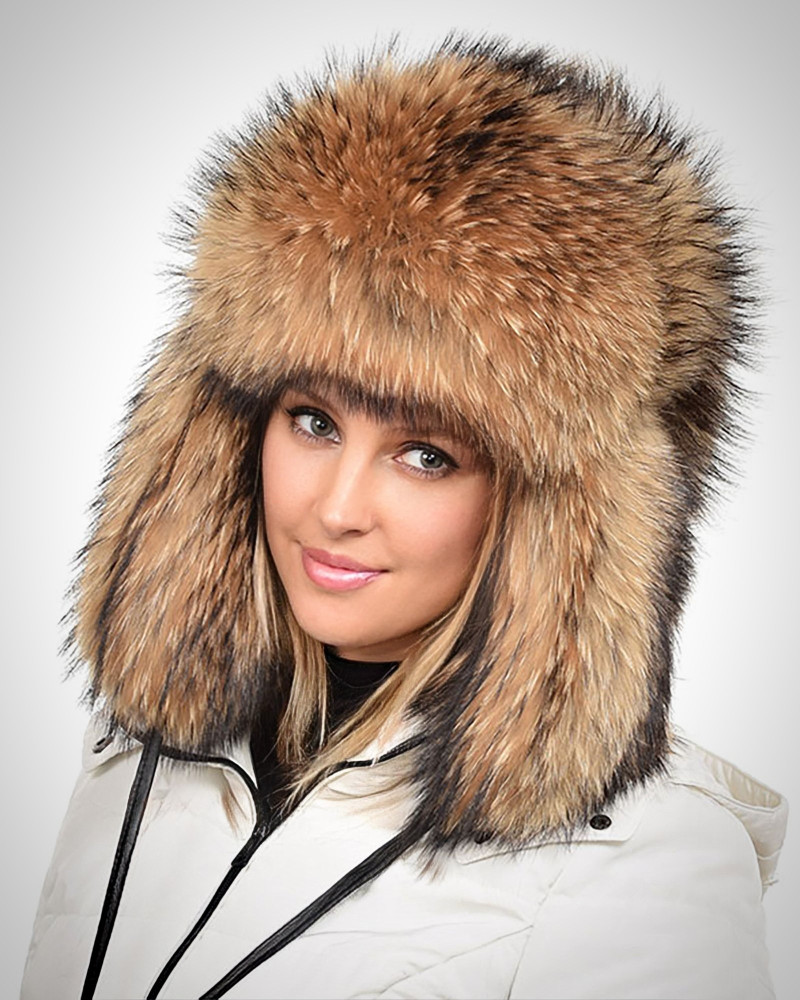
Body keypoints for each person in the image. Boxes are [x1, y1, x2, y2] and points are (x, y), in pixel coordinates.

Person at [22, 37, 787, 1000]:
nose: (336, 509)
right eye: (313, 421)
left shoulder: (645, 874)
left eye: (428, 455)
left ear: (559, 516)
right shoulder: (138, 759)